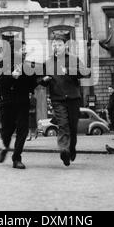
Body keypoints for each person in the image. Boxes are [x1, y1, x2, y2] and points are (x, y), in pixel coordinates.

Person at [40, 34, 89, 167]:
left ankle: (71, 148)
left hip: (73, 98)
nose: (57, 47)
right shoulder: (48, 62)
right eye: (54, 45)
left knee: (73, 127)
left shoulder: (73, 59)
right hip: (57, 99)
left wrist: (69, 70)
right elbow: (40, 80)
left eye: (59, 44)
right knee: (63, 125)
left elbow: (86, 72)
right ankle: (64, 150)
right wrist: (44, 80)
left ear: (65, 45)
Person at [0, 39, 39, 170]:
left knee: (23, 130)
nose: (25, 51)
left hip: (22, 103)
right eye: (22, 49)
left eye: (25, 49)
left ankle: (17, 158)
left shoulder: (27, 66)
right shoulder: (3, 63)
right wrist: (11, 77)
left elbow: (32, 83)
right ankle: (5, 146)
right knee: (7, 130)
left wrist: (41, 81)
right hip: (7, 102)